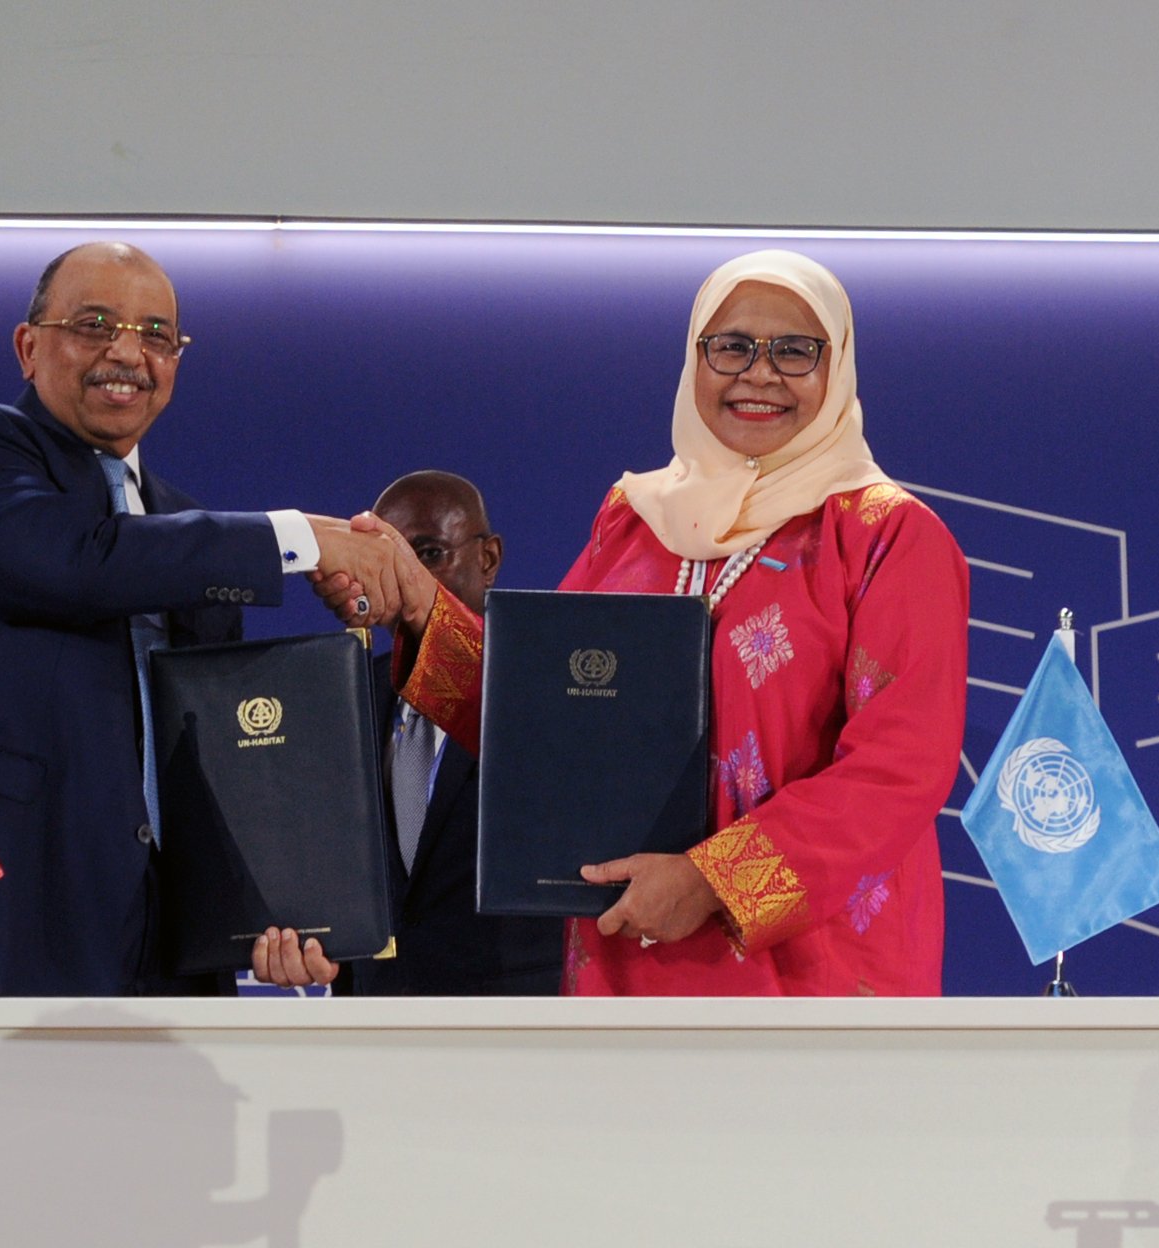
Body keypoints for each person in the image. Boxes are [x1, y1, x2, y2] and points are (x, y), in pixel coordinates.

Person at [301, 249, 969, 996]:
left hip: (809, 976)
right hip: (625, 962)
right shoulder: (634, 523)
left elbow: (898, 769)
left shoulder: (886, 537)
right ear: (694, 361)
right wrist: (422, 610)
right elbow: (536, 716)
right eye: (731, 346)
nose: (759, 374)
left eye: (793, 351)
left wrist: (714, 880)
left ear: (836, 366)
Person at [0, 241, 407, 997]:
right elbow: (77, 561)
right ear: (27, 347)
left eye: (156, 335)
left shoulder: (189, 530)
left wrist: (279, 914)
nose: (127, 353)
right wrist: (297, 539)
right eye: (94, 323)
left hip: (158, 961)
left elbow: (207, 765)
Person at [255, 471, 563, 994]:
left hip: (517, 1020)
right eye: (383, 558)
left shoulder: (551, 689)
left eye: (428, 553)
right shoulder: (343, 698)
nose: (403, 577)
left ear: (488, 559)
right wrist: (303, 944)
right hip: (376, 1021)